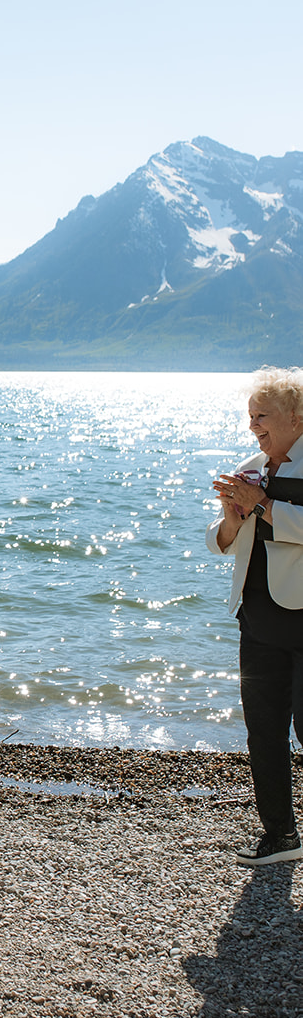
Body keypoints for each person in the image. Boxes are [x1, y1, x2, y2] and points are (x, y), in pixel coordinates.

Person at [208, 367, 303, 866]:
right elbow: (222, 542)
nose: (253, 427)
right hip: (259, 620)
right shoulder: (252, 467)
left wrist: (262, 505)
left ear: (297, 417)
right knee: (263, 730)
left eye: (261, 416)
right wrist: (232, 518)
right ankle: (281, 838)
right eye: (250, 417)